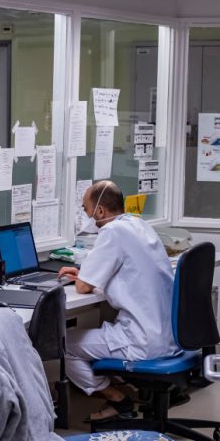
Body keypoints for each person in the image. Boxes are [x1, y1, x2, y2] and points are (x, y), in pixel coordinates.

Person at [58, 180, 178, 422]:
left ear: (100, 211)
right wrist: (86, 275)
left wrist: (82, 278)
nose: (87, 215)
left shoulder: (112, 232)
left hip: (142, 339)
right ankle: (125, 390)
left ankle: (117, 398)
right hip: (169, 335)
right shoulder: (139, 225)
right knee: (89, 334)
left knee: (64, 345)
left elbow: (83, 287)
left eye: (85, 209)